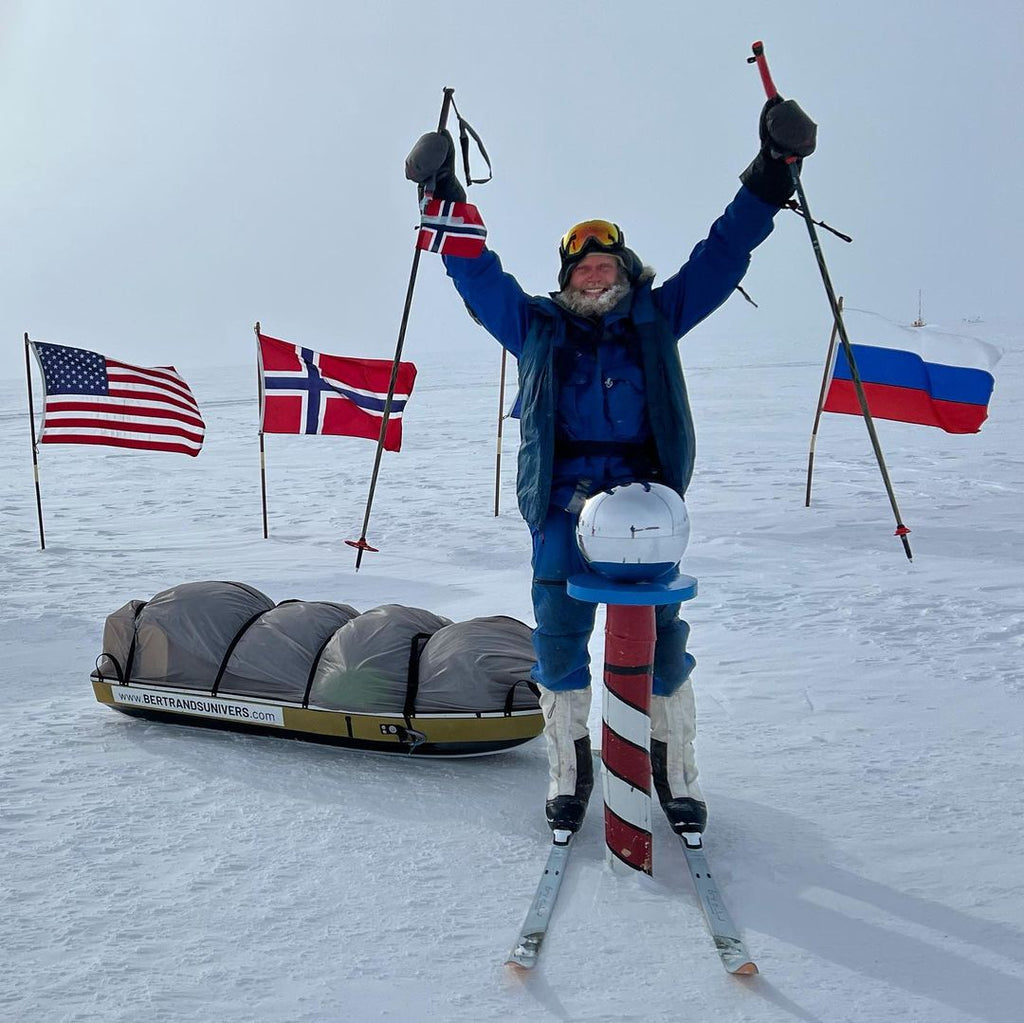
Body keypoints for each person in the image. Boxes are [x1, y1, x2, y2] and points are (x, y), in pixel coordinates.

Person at [405, 98, 816, 836]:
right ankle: (571, 769)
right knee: (559, 637)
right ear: (568, 279)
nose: (595, 275)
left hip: (645, 507)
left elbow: (722, 254)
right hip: (562, 505)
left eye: (606, 264)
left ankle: (673, 767)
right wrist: (444, 195)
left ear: (625, 271)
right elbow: (480, 278)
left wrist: (771, 172)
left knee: (662, 640)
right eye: (583, 267)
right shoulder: (536, 326)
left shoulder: (658, 316)